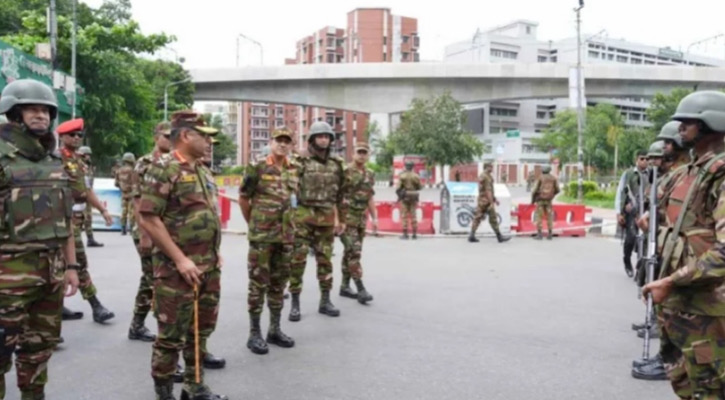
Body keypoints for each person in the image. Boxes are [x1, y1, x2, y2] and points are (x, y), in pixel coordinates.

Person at [138, 110, 227, 400]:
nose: (210, 142)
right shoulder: (164, 167)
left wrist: (215, 253)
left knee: (201, 331)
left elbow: (206, 215)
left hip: (207, 266)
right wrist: (179, 259)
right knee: (171, 336)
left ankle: (194, 385)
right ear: (187, 136)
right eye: (205, 136)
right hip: (177, 270)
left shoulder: (201, 169)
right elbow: (149, 218)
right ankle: (164, 394)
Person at [0, 79, 80, 400]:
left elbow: (66, 219)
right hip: (7, 281)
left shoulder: (54, 161)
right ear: (14, 113)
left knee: (38, 353)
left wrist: (72, 265)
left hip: (50, 275)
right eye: (32, 108)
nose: (41, 115)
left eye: (46, 110)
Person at [642, 91, 725, 399]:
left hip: (709, 309)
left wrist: (670, 281)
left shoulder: (719, 174)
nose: (679, 129)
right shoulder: (692, 171)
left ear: (711, 124)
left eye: (688, 122)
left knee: (710, 389)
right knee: (685, 384)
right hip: (681, 305)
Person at [239, 129, 297, 355]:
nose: (283, 145)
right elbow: (244, 198)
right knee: (257, 285)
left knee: (278, 284)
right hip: (262, 237)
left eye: (287, 142)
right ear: (271, 143)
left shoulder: (294, 169)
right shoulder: (258, 166)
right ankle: (254, 333)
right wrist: (253, 224)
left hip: (286, 237)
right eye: (279, 141)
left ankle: (274, 329)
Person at [287, 121, 347, 322]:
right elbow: (290, 189)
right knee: (298, 261)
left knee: (325, 261)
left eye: (327, 136)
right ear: (312, 139)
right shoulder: (300, 161)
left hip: (327, 217)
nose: (324, 139)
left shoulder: (337, 164)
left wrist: (342, 220)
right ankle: (295, 303)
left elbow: (341, 195)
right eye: (320, 136)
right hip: (303, 216)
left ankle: (325, 300)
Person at [57, 118, 115, 324]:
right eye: (72, 135)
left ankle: (92, 305)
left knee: (75, 263)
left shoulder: (79, 161)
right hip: (59, 219)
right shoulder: (56, 159)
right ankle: (92, 305)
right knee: (68, 263)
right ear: (62, 137)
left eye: (79, 135)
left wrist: (103, 210)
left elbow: (86, 189)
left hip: (75, 218)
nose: (76, 138)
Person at [339, 142, 377, 304]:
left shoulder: (370, 173)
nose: (362, 155)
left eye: (365, 152)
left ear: (368, 155)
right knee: (354, 252)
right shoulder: (345, 172)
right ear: (353, 154)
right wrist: (337, 219)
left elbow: (369, 197)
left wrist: (375, 218)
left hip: (361, 219)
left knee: (349, 253)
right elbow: (337, 195)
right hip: (347, 219)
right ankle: (360, 288)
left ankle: (344, 286)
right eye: (359, 152)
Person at [614, 150, 649, 277]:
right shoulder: (628, 174)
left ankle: (642, 267)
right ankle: (627, 261)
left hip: (646, 212)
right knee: (631, 238)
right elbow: (620, 192)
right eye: (642, 158)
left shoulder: (652, 174)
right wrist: (619, 212)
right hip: (631, 212)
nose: (644, 161)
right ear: (636, 160)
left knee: (647, 241)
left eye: (647, 159)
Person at [468, 163, 510, 243]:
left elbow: (484, 190)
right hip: (487, 201)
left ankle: (471, 235)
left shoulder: (482, 175)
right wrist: (491, 202)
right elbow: (488, 191)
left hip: (481, 200)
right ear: (487, 167)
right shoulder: (487, 177)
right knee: (493, 218)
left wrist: (495, 199)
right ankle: (499, 237)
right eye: (491, 167)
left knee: (477, 217)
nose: (492, 168)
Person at [78, 146, 103, 247]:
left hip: (87, 195)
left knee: (88, 218)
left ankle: (90, 238)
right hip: (80, 196)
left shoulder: (89, 166)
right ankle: (76, 240)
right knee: (78, 218)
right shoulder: (79, 165)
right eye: (86, 155)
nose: (88, 157)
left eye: (89, 155)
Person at [531, 165, 559, 240]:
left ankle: (540, 234)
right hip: (549, 200)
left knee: (539, 217)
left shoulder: (540, 177)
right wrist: (552, 195)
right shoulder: (553, 178)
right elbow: (558, 190)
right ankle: (550, 233)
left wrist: (532, 200)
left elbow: (534, 190)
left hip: (540, 200)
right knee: (549, 216)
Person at [397, 160, 421, 239]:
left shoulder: (402, 176)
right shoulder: (416, 176)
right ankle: (414, 234)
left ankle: (405, 234)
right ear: (412, 167)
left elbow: (398, 188)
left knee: (404, 216)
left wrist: (400, 195)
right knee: (413, 215)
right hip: (413, 196)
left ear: (405, 166)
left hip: (405, 197)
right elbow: (420, 187)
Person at [115, 152, 136, 235]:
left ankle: (123, 228)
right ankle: (131, 228)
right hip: (132, 193)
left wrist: (122, 187)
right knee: (132, 212)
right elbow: (135, 182)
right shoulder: (133, 170)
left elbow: (116, 183)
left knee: (124, 211)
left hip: (123, 194)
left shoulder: (119, 170)